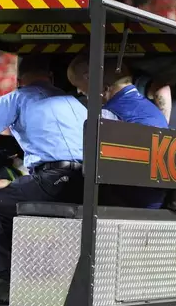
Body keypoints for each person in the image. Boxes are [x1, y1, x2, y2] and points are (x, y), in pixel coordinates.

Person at [0, 55, 125, 305]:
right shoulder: (76, 102)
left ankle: (1, 283)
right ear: (51, 78)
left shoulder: (18, 97)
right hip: (90, 181)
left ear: (18, 81)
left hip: (55, 178)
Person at [67, 53, 169, 209]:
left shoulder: (109, 115)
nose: (80, 92)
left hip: (130, 202)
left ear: (97, 83)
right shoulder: (152, 110)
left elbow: (92, 164)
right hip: (154, 199)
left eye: (79, 86)